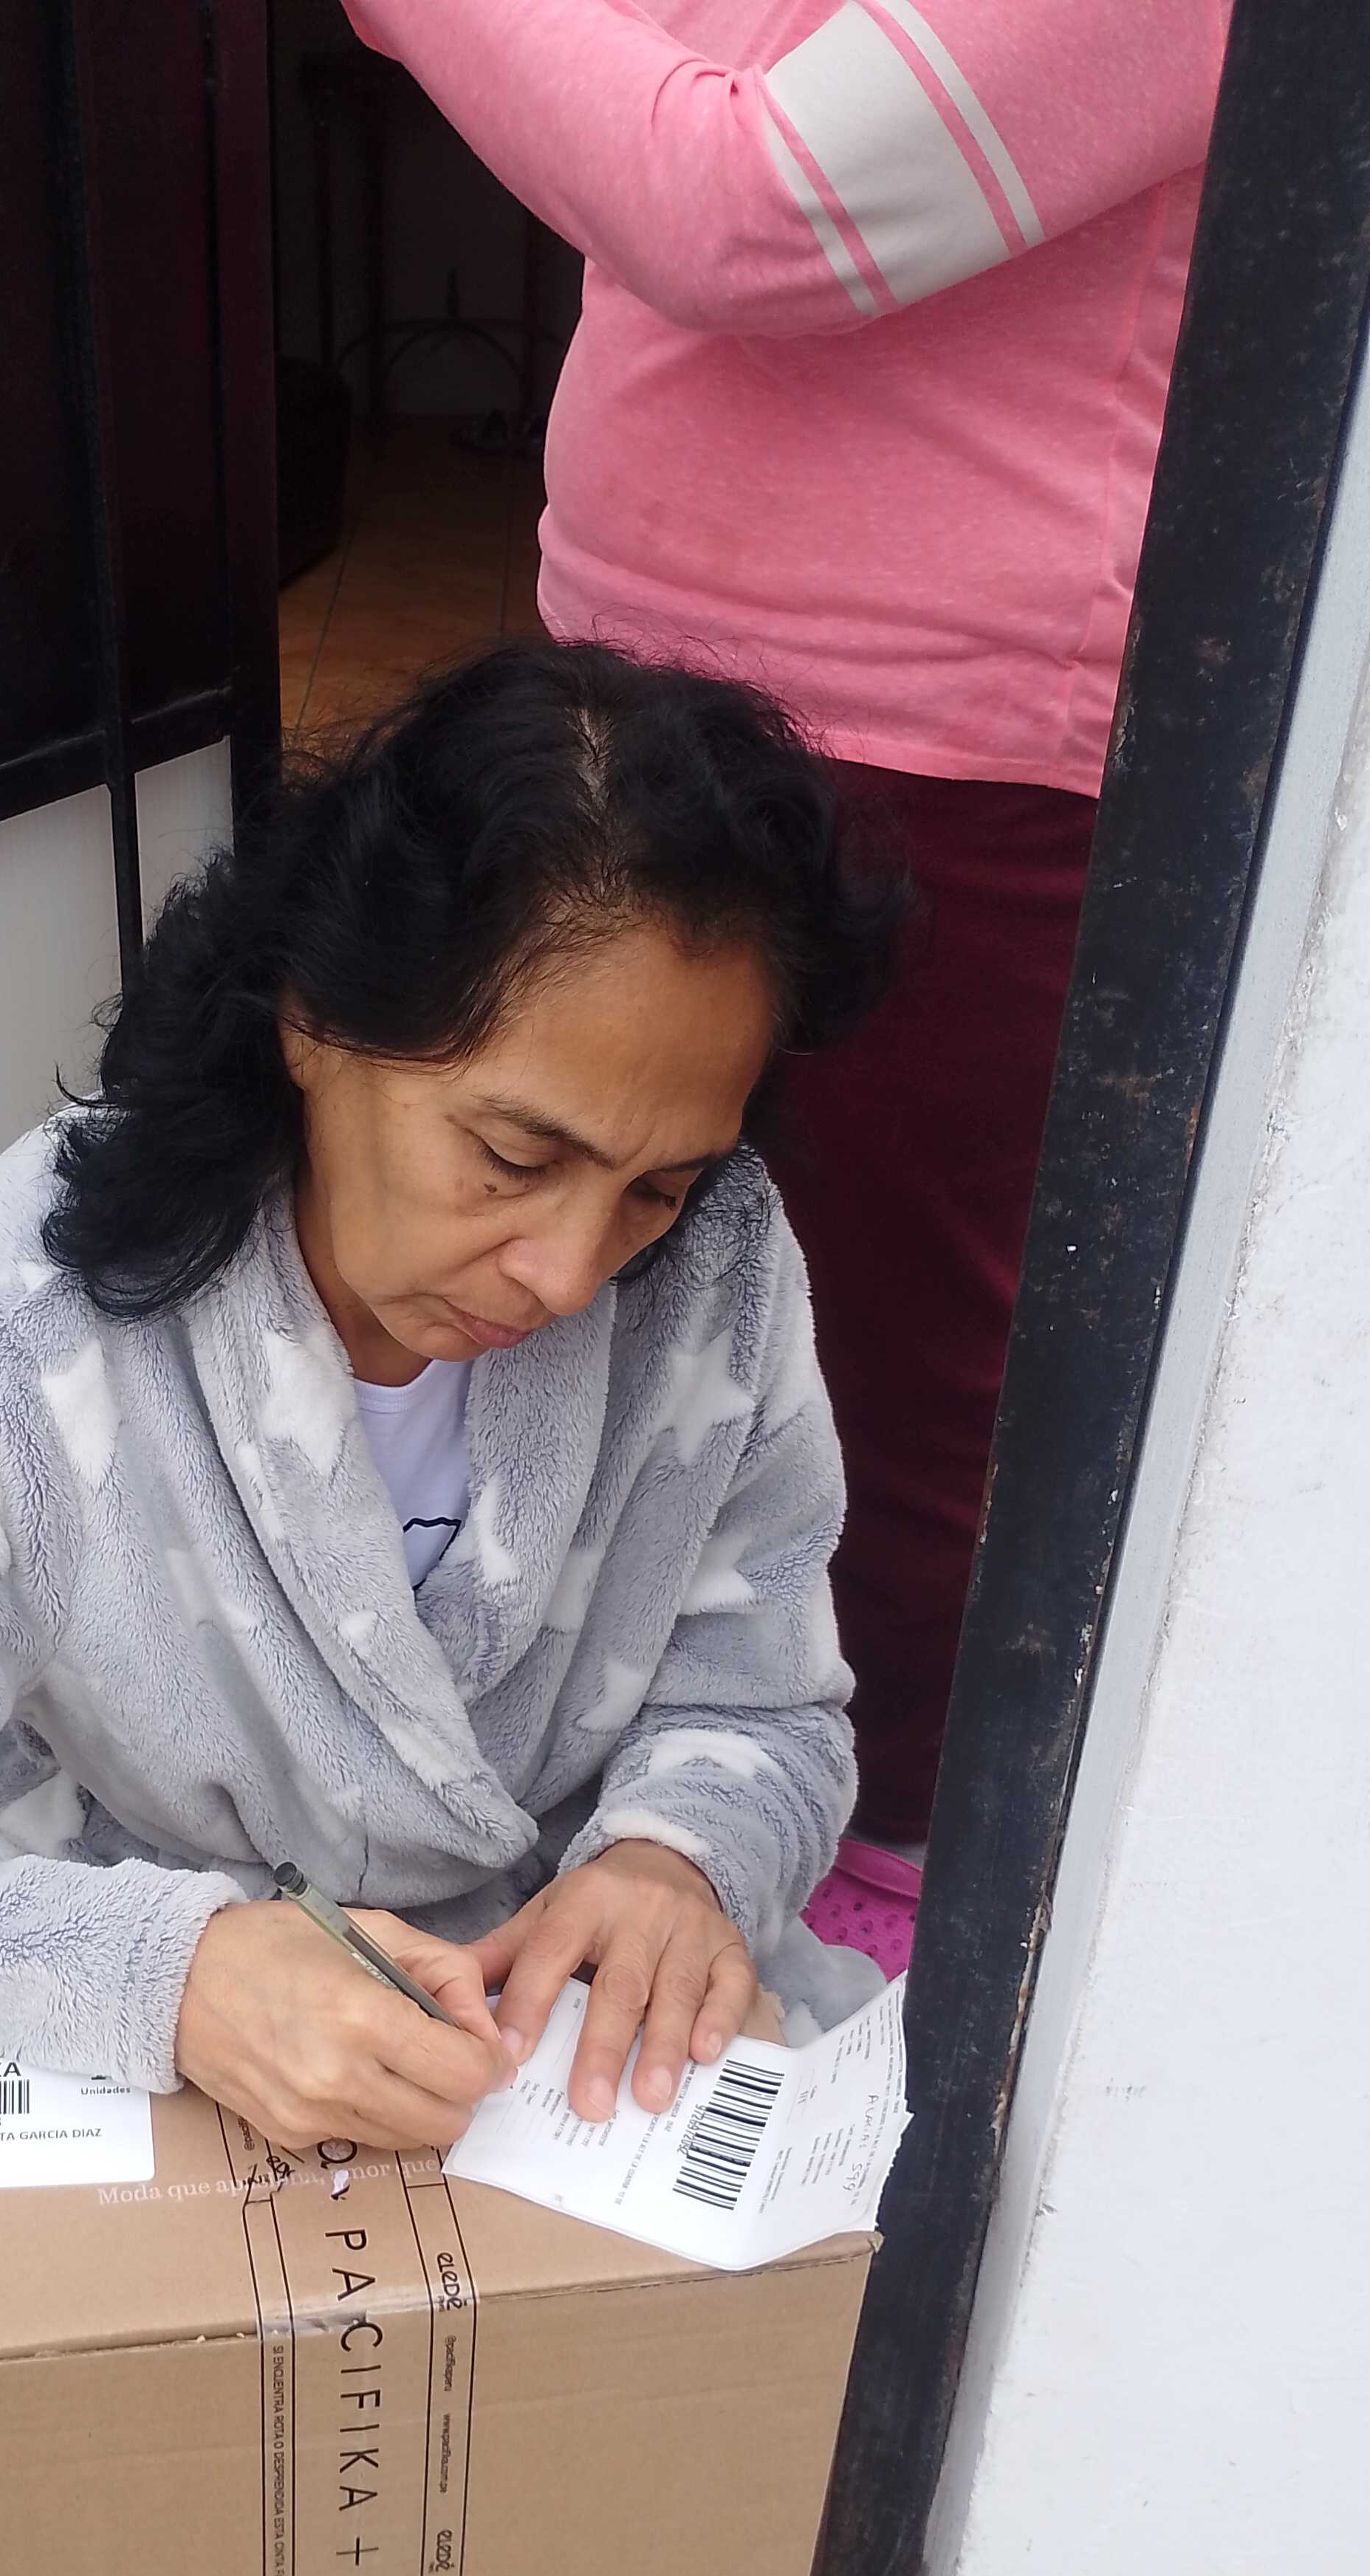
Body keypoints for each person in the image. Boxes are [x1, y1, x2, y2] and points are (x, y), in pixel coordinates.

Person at [0, 642, 905, 2520]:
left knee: (805, 2374)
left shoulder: (719, 1273)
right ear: (315, 1017)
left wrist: (672, 1862)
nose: (567, 1271)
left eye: (654, 1184)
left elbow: (762, 1696)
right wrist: (174, 1978)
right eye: (511, 1154)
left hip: (534, 2048)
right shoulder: (28, 1330)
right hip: (137, 2009)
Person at [344, 0, 1231, 1963]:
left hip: (948, 747)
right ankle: (630, 1771)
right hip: (623, 665)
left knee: (886, 1372)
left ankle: (883, 1857)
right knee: (578, 1299)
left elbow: (753, 205)